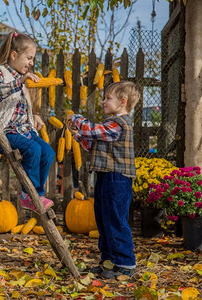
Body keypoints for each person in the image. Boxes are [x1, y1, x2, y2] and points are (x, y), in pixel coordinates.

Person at [66, 81, 140, 279]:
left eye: (108, 98)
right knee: (103, 218)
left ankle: (125, 263)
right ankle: (108, 261)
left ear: (123, 102)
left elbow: (91, 129)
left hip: (118, 178)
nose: (104, 101)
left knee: (115, 219)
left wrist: (77, 118)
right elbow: (92, 145)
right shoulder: (110, 125)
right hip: (105, 176)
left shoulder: (119, 123)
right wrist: (77, 135)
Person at [0, 32, 55, 211]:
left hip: (25, 130)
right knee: (34, 149)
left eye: (32, 59)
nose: (31, 63)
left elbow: (22, 104)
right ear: (14, 55)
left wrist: (35, 115)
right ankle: (28, 195)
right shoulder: (1, 72)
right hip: (6, 132)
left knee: (48, 152)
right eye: (28, 58)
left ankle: (37, 192)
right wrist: (20, 81)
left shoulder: (22, 77)